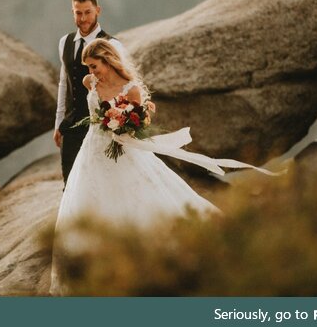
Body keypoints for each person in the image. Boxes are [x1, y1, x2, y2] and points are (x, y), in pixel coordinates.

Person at [49, 39, 268, 295]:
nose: (91, 73)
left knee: (136, 194)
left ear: (108, 61)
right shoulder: (90, 83)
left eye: (94, 66)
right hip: (92, 150)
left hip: (123, 150)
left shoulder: (131, 89)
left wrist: (122, 125)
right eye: (88, 67)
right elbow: (85, 109)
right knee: (87, 197)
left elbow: (140, 123)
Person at [53, 0, 124, 185]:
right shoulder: (64, 43)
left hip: (102, 129)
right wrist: (59, 121)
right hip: (71, 127)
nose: (83, 18)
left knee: (101, 185)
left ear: (98, 11)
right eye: (78, 13)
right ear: (73, 12)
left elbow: (123, 86)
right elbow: (63, 83)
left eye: (87, 12)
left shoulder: (113, 45)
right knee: (70, 187)